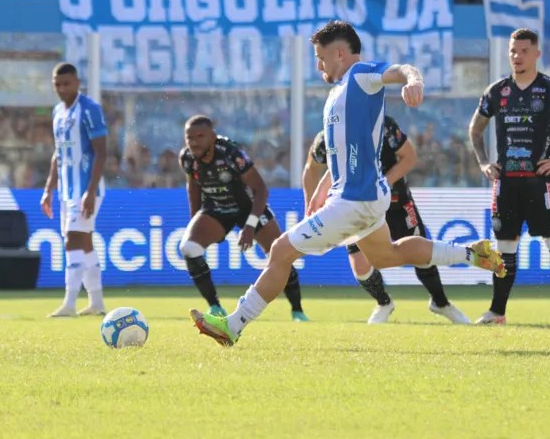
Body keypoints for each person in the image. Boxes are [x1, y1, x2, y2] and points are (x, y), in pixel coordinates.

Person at [191, 20, 504, 347]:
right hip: (363, 196)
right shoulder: (338, 93)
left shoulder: (359, 75)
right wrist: (324, 188)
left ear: (339, 53)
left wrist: (413, 80)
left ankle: (233, 325)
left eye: (321, 57)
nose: (318, 64)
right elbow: (342, 153)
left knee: (281, 251)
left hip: (355, 199)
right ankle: (470, 254)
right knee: (386, 256)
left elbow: (402, 69)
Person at [468, 28, 550, 327]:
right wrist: (484, 162)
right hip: (506, 183)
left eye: (523, 51)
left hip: (542, 183)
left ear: (536, 54)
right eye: (512, 51)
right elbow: (475, 129)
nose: (517, 57)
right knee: (505, 250)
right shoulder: (496, 91)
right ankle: (497, 312)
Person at [304, 119, 471, 324]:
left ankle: (441, 303)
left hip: (395, 200)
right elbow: (310, 170)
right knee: (360, 266)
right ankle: (384, 303)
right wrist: (310, 205)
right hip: (356, 207)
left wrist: (383, 183)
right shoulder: (327, 137)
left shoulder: (383, 126)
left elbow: (409, 158)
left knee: (420, 253)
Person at [178, 116, 308, 322]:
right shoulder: (187, 158)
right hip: (217, 209)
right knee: (189, 248)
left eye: (200, 136)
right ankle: (215, 307)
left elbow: (261, 190)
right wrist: (195, 219)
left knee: (281, 255)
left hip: (249, 207)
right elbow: (193, 187)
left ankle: (297, 311)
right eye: (189, 138)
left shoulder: (231, 153)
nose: (194, 142)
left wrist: (250, 226)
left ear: (212, 136)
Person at [42, 63, 108, 317]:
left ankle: (69, 303)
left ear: (77, 82)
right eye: (57, 84)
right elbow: (59, 153)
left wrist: (90, 191)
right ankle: (97, 303)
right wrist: (49, 188)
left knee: (71, 240)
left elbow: (101, 151)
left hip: (86, 189)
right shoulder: (58, 112)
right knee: (85, 244)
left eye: (66, 83)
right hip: (66, 191)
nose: (61, 89)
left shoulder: (90, 110)